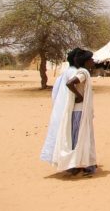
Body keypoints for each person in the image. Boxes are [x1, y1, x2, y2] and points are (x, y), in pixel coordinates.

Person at [52, 48, 97, 176]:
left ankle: (81, 163)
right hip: (79, 111)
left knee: (80, 136)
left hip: (80, 110)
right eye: (91, 59)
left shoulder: (83, 72)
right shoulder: (82, 73)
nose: (93, 61)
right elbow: (70, 83)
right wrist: (79, 96)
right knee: (79, 137)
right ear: (86, 61)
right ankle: (77, 165)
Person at [40, 50, 78, 164]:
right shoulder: (74, 73)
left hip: (60, 109)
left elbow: (55, 94)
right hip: (69, 110)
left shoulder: (63, 75)